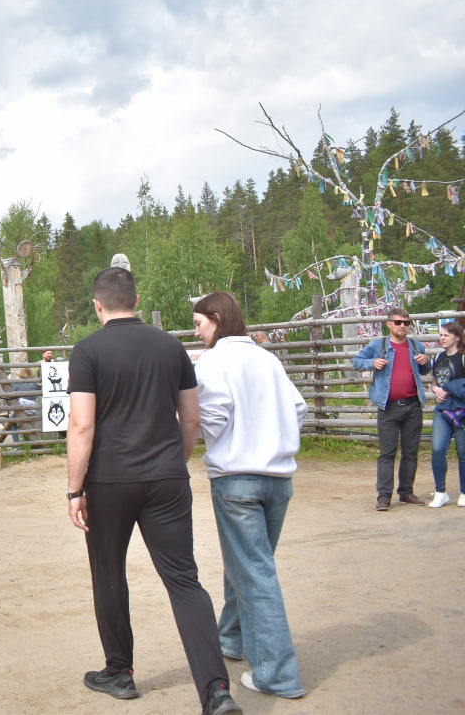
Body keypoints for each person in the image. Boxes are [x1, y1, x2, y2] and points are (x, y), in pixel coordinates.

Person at [66, 267, 241, 715]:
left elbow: (82, 425)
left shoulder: (87, 351)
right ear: (137, 299)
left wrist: (73, 489)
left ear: (97, 304)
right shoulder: (172, 346)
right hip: (166, 477)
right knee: (184, 581)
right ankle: (216, 689)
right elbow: (192, 417)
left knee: (108, 574)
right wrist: (175, 463)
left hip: (109, 481)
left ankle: (120, 673)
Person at [192, 291, 307, 700]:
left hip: (237, 478)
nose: (197, 331)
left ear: (217, 320)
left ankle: (278, 674)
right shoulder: (267, 358)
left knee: (254, 572)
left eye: (199, 323)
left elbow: (215, 416)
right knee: (249, 564)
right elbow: (298, 407)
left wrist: (200, 433)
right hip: (278, 478)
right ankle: (232, 638)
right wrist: (274, 437)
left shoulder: (214, 362)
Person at [352, 307, 432, 510]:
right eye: (398, 322)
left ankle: (406, 492)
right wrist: (373, 362)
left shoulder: (416, 346)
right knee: (387, 453)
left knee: (410, 451)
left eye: (406, 323)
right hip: (388, 407)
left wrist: (426, 362)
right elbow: (356, 361)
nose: (403, 326)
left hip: (413, 406)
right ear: (389, 324)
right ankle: (384, 496)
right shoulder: (378, 346)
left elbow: (425, 369)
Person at [428, 320, 465, 508]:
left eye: (446, 335)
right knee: (437, 449)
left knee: (463, 451)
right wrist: (436, 390)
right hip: (442, 409)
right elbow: (434, 382)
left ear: (457, 337)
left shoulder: (463, 357)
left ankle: (464, 492)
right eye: (441, 335)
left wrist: (450, 389)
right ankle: (440, 491)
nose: (442, 338)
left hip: (461, 411)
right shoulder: (439, 357)